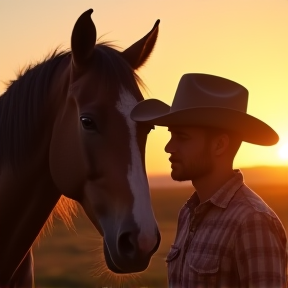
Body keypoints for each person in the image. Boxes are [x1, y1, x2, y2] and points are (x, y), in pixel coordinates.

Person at [130, 73, 287, 288]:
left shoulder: (252, 222)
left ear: (219, 145)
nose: (169, 147)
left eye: (182, 137)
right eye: (171, 135)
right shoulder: (187, 213)